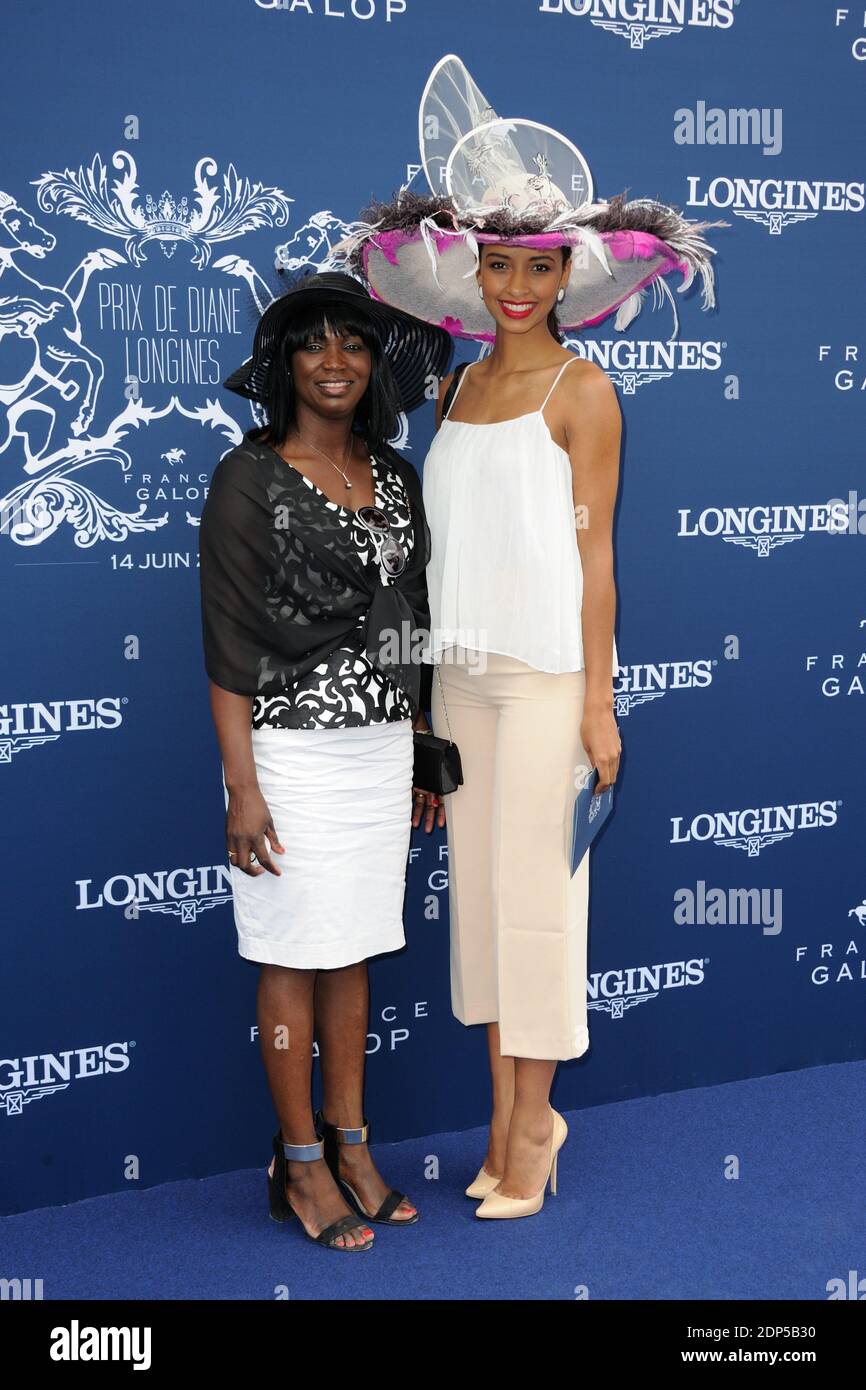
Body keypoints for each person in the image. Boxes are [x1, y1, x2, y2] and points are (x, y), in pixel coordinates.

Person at [342, 54, 724, 1219]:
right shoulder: (451, 393)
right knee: (482, 907)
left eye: (537, 266)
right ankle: (516, 1118)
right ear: (470, 270)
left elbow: (594, 554)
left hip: (547, 679)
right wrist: (416, 706)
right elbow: (433, 554)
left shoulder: (582, 390)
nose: (516, 285)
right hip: (456, 683)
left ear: (569, 273)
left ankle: (529, 1129)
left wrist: (600, 704)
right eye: (497, 264)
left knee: (541, 907)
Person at [199, 271, 452, 1250]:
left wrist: (423, 747)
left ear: (374, 361)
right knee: (289, 952)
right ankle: (297, 1164)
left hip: (379, 751)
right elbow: (225, 640)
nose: (336, 359)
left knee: (352, 946)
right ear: (285, 365)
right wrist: (244, 787)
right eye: (315, 344)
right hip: (286, 753)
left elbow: (412, 621)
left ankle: (351, 1145)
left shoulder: (396, 474)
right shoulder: (247, 477)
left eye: (354, 342)